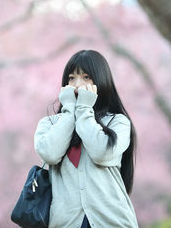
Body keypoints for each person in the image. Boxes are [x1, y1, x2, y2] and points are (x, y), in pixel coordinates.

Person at [34, 50, 139, 228]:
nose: (77, 85)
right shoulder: (50, 124)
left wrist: (83, 109)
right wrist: (68, 113)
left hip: (111, 221)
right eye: (71, 78)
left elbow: (101, 153)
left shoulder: (117, 122)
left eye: (86, 77)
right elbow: (49, 154)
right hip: (65, 223)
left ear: (100, 80)